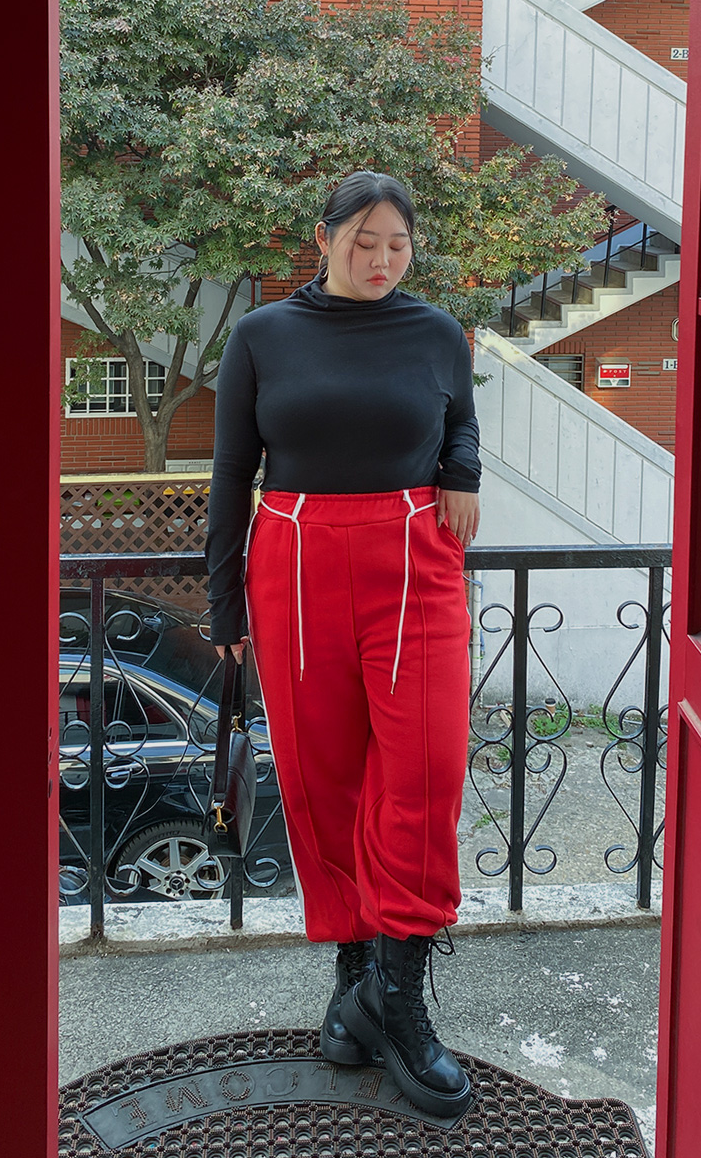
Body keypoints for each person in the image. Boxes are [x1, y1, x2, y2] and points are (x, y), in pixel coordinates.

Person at [205, 170, 480, 1117]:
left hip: (414, 558)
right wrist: (224, 610)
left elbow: (458, 420)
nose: (381, 259)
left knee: (427, 770)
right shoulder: (261, 336)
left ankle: (397, 997)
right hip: (294, 561)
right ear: (322, 239)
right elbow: (231, 473)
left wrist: (464, 470)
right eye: (363, 241)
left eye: (397, 243)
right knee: (325, 777)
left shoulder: (437, 331)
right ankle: (355, 977)